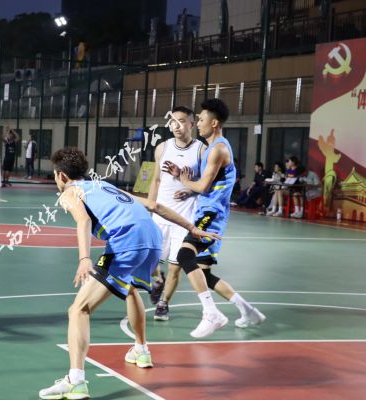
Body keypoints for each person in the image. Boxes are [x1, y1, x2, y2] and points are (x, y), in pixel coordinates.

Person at [38, 147, 219, 400]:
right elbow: (154, 205)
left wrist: (84, 258)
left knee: (78, 310)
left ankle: (75, 381)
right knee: (130, 288)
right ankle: (141, 349)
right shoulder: (104, 185)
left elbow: (83, 221)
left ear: (61, 176)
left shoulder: (69, 192)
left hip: (127, 241)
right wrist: (192, 228)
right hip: (152, 241)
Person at [162, 99, 265, 339]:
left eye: (201, 119)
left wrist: (184, 181)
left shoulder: (218, 149)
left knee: (184, 256)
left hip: (211, 215)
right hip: (207, 211)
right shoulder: (211, 148)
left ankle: (211, 314)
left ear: (214, 123)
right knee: (204, 275)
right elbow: (206, 186)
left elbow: (203, 186)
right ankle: (248, 311)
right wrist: (188, 187)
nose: (198, 123)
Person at [147, 106, 204, 321]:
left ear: (191, 124)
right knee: (150, 260)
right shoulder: (162, 148)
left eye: (181, 121)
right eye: (173, 121)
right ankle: (157, 281)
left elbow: (208, 184)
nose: (176, 125)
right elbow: (156, 180)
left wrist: (190, 190)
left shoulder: (201, 150)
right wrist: (149, 206)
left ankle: (163, 304)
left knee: (175, 266)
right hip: (160, 215)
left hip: (185, 217)